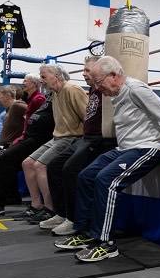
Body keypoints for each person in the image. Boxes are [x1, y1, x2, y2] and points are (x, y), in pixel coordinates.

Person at [54, 56, 160, 262]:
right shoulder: (117, 93)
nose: (97, 86)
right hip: (125, 149)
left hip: (147, 147)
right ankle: (86, 232)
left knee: (107, 181)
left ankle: (106, 244)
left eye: (98, 81)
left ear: (113, 75)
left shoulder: (135, 89)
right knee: (85, 176)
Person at [43, 57, 117, 235]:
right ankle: (62, 212)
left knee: (71, 169)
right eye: (83, 70)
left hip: (98, 139)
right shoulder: (92, 90)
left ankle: (74, 219)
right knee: (53, 166)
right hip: (86, 138)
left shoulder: (104, 90)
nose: (84, 74)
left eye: (88, 70)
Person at [18, 64, 88, 224]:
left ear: (55, 76)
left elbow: (87, 117)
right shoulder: (54, 94)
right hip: (57, 137)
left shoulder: (72, 89)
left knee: (40, 165)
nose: (41, 80)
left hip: (71, 137)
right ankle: (37, 205)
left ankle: (51, 210)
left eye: (43, 77)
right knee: (28, 163)